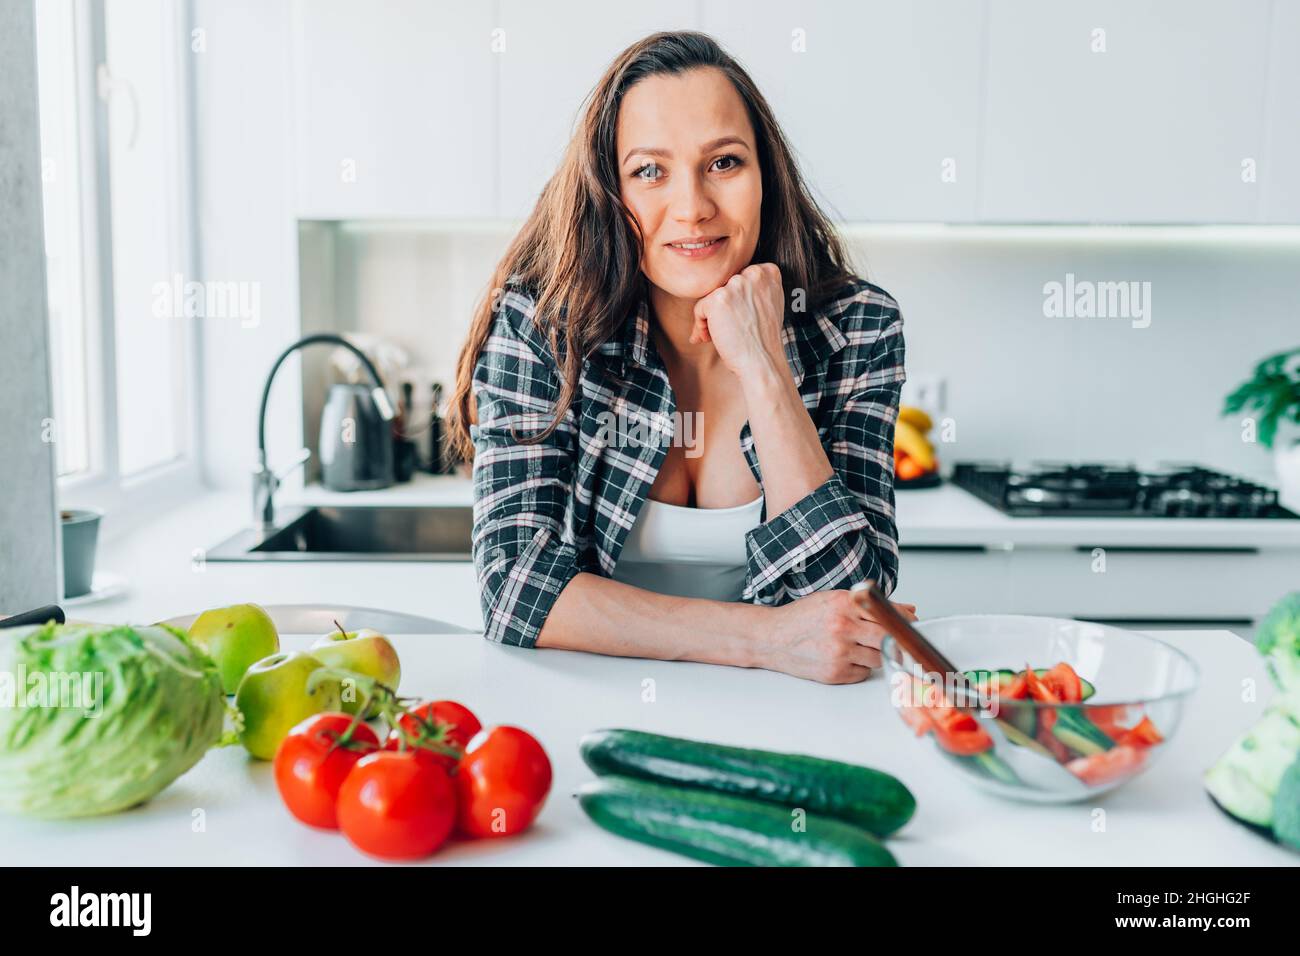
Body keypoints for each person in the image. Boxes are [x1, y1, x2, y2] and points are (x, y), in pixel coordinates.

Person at [447, 32, 916, 684]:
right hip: (593, 715)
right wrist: (766, 639)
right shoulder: (542, 327)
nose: (693, 208)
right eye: (649, 171)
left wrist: (765, 366)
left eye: (723, 163)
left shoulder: (858, 327)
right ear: (609, 191)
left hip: (799, 722)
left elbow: (849, 599)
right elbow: (513, 588)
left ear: (765, 177)